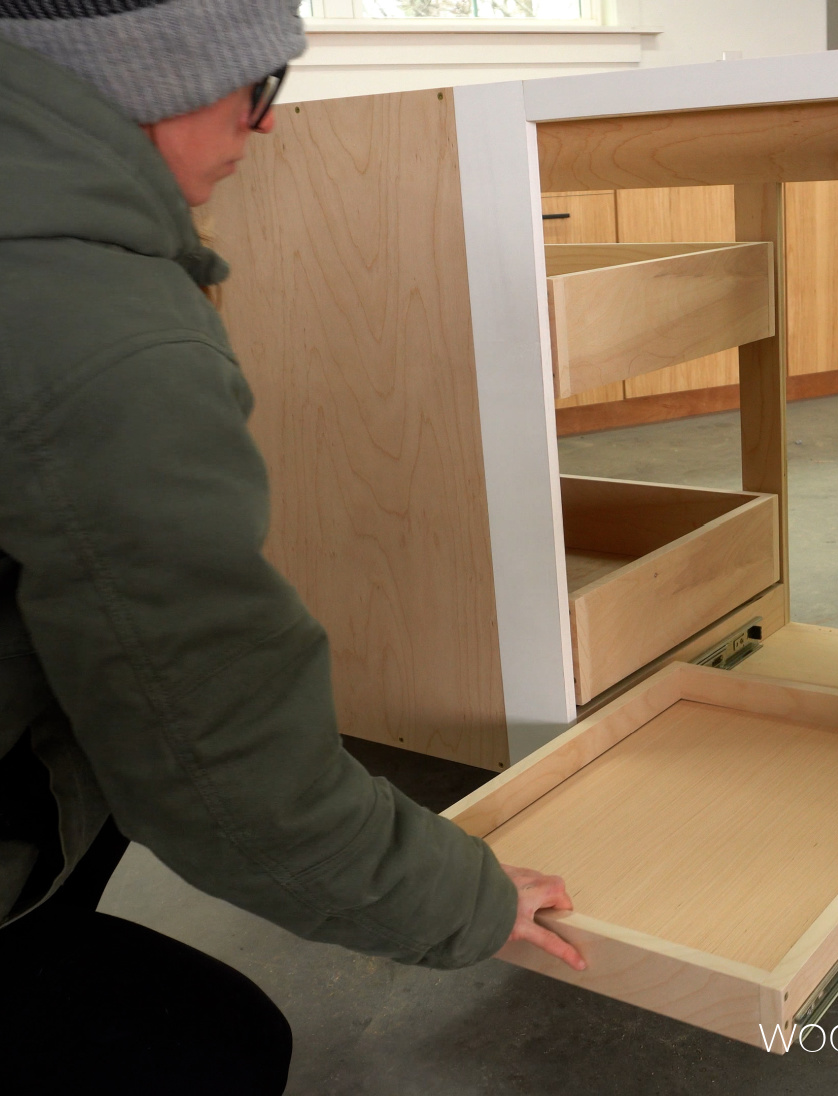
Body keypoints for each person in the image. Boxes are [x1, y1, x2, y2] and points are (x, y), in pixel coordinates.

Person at [0, 3, 583, 1092]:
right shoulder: (98, 333)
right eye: (261, 83)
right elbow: (221, 774)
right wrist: (467, 899)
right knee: (219, 1054)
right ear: (146, 76)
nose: (267, 127)